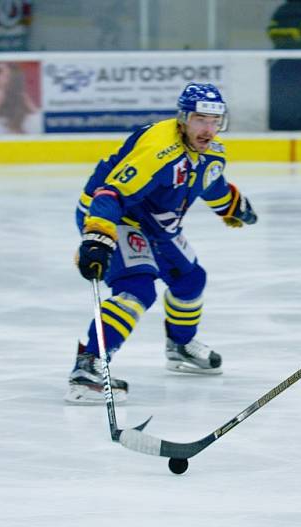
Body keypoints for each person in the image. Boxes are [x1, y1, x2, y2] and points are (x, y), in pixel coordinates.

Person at [66, 83, 258, 405]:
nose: (208, 129)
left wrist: (232, 205)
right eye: (200, 120)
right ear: (182, 118)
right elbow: (110, 194)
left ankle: (180, 346)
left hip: (155, 222)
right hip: (117, 215)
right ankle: (88, 366)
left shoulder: (211, 151)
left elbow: (209, 182)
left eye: (215, 121)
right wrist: (98, 238)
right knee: (137, 288)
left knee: (191, 279)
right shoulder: (158, 150)